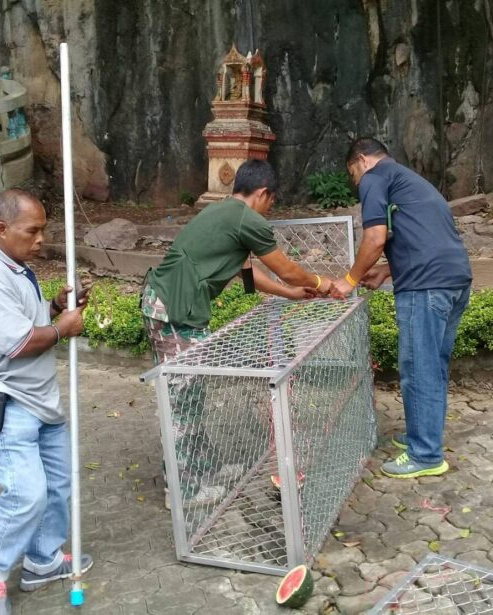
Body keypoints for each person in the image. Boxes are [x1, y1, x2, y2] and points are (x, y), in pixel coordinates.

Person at [142, 159, 341, 508]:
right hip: (173, 310)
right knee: (181, 402)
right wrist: (321, 283)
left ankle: (202, 469)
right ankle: (182, 491)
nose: (269, 209)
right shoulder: (248, 220)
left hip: (174, 306)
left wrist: (290, 293)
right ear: (263, 193)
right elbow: (286, 268)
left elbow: (248, 273)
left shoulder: (227, 214)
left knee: (193, 393)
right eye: (271, 201)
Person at [0, 189, 92, 615]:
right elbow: (18, 343)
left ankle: (42, 559)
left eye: (43, 231)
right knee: (27, 492)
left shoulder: (15, 267)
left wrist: (52, 307)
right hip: (2, 397)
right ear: (2, 229)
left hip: (39, 397)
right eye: (32, 231)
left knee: (57, 484)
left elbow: (24, 322)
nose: (40, 240)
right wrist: (63, 328)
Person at [331, 137, 472, 479]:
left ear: (362, 160)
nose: (357, 184)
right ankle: (421, 437)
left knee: (420, 368)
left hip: (425, 287)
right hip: (454, 278)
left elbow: (376, 237)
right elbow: (426, 238)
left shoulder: (375, 178)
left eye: (353, 175)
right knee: (433, 365)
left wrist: (349, 279)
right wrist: (386, 270)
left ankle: (425, 455)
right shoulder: (411, 181)